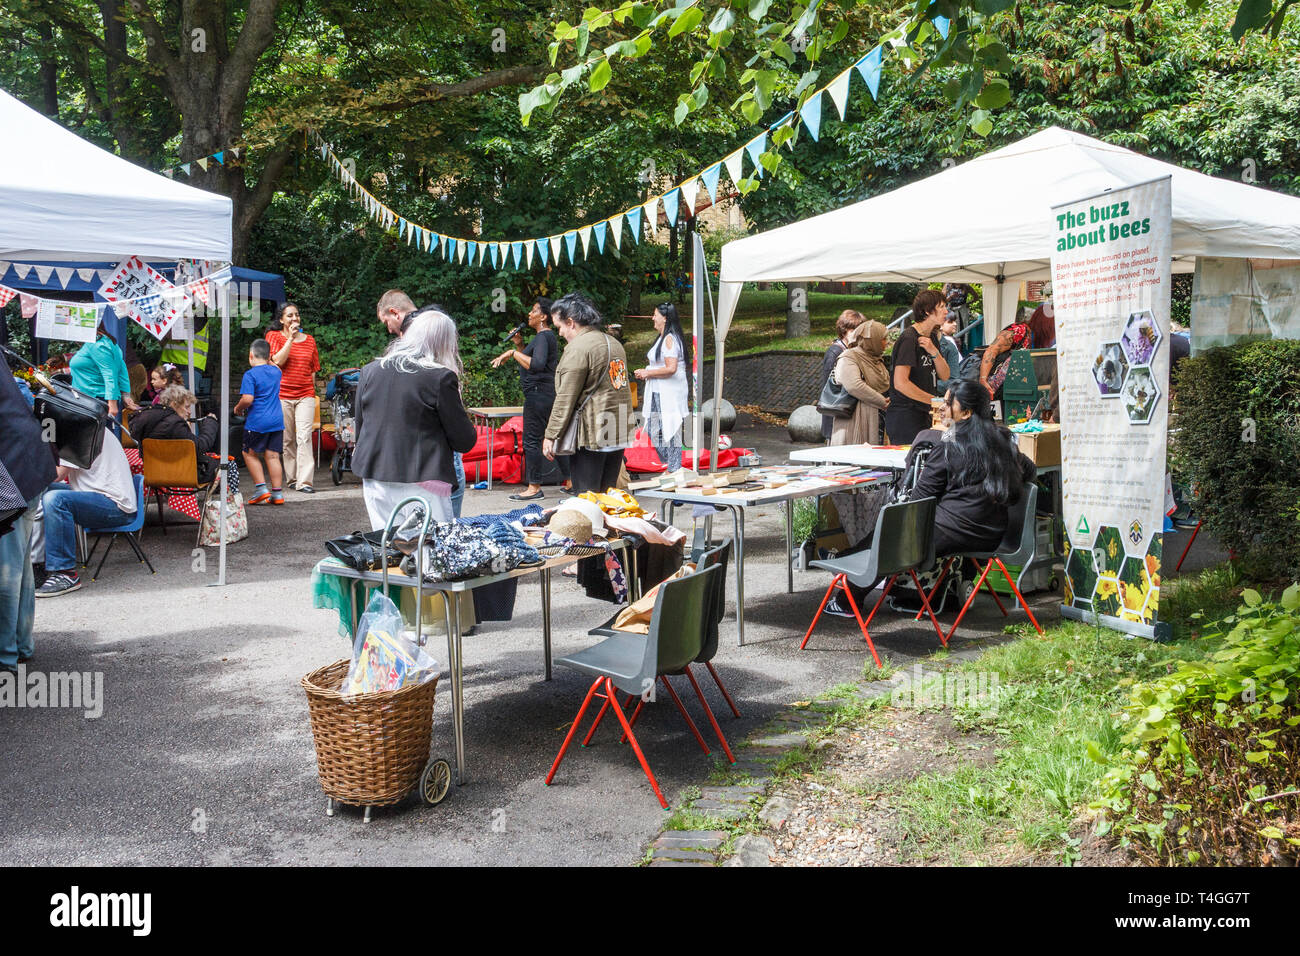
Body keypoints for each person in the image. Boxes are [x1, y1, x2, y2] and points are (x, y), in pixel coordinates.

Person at [351, 307, 478, 529]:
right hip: (424, 479)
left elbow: (361, 426)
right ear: (445, 343)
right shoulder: (440, 377)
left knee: (387, 550)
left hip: (375, 473)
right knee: (430, 553)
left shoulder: (370, 371)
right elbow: (464, 440)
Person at [913, 380, 1037, 558]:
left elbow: (920, 498)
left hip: (950, 533)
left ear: (966, 413)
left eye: (948, 404)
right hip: (992, 537)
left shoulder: (949, 444)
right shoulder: (1002, 439)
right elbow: (1031, 471)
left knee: (878, 540)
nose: (942, 408)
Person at [1, 354, 58, 671]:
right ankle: (21, 644)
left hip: (12, 474)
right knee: (18, 565)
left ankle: (5, 655)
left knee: (6, 571)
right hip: (29, 464)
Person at [543, 292, 632, 495]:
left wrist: (551, 435)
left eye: (560, 327)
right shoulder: (613, 343)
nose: (560, 333)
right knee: (608, 496)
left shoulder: (578, 348)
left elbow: (566, 397)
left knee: (587, 497)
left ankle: (593, 528)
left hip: (592, 433)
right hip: (617, 431)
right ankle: (608, 528)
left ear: (571, 322)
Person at [36, 425, 137, 598]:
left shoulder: (78, 431)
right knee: (42, 492)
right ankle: (36, 563)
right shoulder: (89, 424)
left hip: (115, 507)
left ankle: (65, 573)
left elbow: (55, 474)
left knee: (54, 499)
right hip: (101, 497)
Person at [491, 296, 572, 500]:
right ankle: (571, 482)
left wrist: (511, 353)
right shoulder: (542, 337)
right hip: (544, 394)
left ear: (543, 316)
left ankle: (534, 487)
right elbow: (532, 365)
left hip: (539, 395)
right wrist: (519, 346)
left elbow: (536, 365)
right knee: (553, 438)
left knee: (531, 441)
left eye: (534, 311)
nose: (529, 314)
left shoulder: (544, 337)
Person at [265, 302, 321, 493]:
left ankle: (305, 482)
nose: (294, 318)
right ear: (281, 319)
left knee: (304, 436)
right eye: (289, 316)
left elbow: (313, 369)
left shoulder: (310, 340)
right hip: (282, 394)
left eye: (296, 315)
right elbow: (277, 361)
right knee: (287, 439)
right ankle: (293, 478)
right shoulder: (273, 337)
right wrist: (290, 338)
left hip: (305, 394)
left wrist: (311, 392)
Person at [884, 289, 950, 445]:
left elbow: (945, 375)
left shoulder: (932, 337)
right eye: (941, 307)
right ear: (927, 311)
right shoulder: (908, 339)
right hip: (906, 416)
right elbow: (900, 383)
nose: (946, 311)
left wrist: (934, 352)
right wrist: (934, 401)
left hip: (926, 414)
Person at [634, 302, 691, 473]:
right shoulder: (663, 338)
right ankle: (672, 464)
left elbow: (671, 368)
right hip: (658, 389)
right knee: (653, 427)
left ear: (664, 318)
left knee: (670, 426)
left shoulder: (669, 339)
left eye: (655, 314)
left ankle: (674, 467)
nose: (653, 318)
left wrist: (647, 373)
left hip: (669, 392)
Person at [128, 384, 222, 483]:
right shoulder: (174, 424)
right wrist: (210, 422)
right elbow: (201, 446)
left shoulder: (149, 420)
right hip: (183, 474)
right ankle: (231, 497)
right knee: (226, 464)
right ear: (174, 404)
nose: (189, 412)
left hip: (154, 475)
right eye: (187, 407)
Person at [234, 339, 286, 505]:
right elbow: (278, 368)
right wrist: (270, 360)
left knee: (248, 453)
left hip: (258, 421)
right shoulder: (276, 372)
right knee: (272, 456)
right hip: (276, 421)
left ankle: (261, 488)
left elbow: (248, 399)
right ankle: (277, 494)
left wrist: (238, 408)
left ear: (251, 355)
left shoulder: (250, 375)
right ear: (269, 356)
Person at [830, 320, 890, 446]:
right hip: (855, 419)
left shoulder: (876, 360)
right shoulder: (849, 357)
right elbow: (854, 386)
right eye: (883, 339)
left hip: (876, 417)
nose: (887, 342)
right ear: (872, 340)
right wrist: (882, 401)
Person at [69, 328, 138, 423]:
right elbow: (121, 367)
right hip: (91, 399)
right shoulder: (104, 341)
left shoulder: (97, 345)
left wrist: (112, 403)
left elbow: (109, 373)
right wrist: (125, 394)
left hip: (94, 399)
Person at [821, 310, 864, 441]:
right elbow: (830, 386)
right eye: (853, 331)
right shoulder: (835, 352)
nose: (856, 335)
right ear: (844, 331)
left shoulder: (850, 350)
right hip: (835, 414)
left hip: (843, 414)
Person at [980, 318, 1033, 400]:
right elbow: (992, 350)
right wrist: (983, 379)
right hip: (1000, 387)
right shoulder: (1019, 329)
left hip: (1019, 388)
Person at [936, 314, 964, 392]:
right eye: (950, 322)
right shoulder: (948, 342)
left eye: (955, 321)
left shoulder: (949, 343)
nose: (955, 324)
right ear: (940, 325)